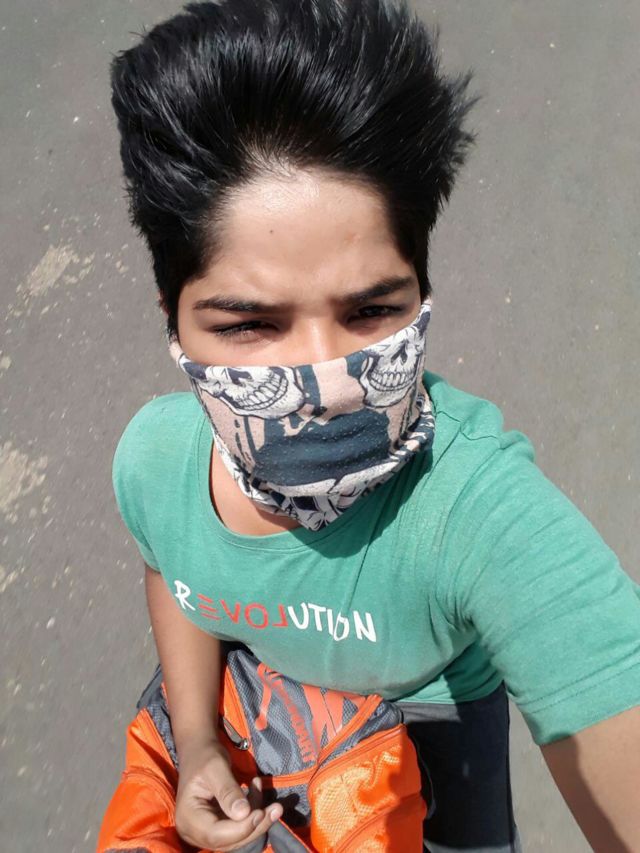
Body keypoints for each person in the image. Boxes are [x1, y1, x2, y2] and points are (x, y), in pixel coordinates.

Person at [107, 1, 640, 851]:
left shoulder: (476, 511)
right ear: (173, 318)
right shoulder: (153, 464)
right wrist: (199, 737)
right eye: (250, 324)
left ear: (420, 291)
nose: (324, 382)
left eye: (370, 311)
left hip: (442, 721)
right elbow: (170, 566)